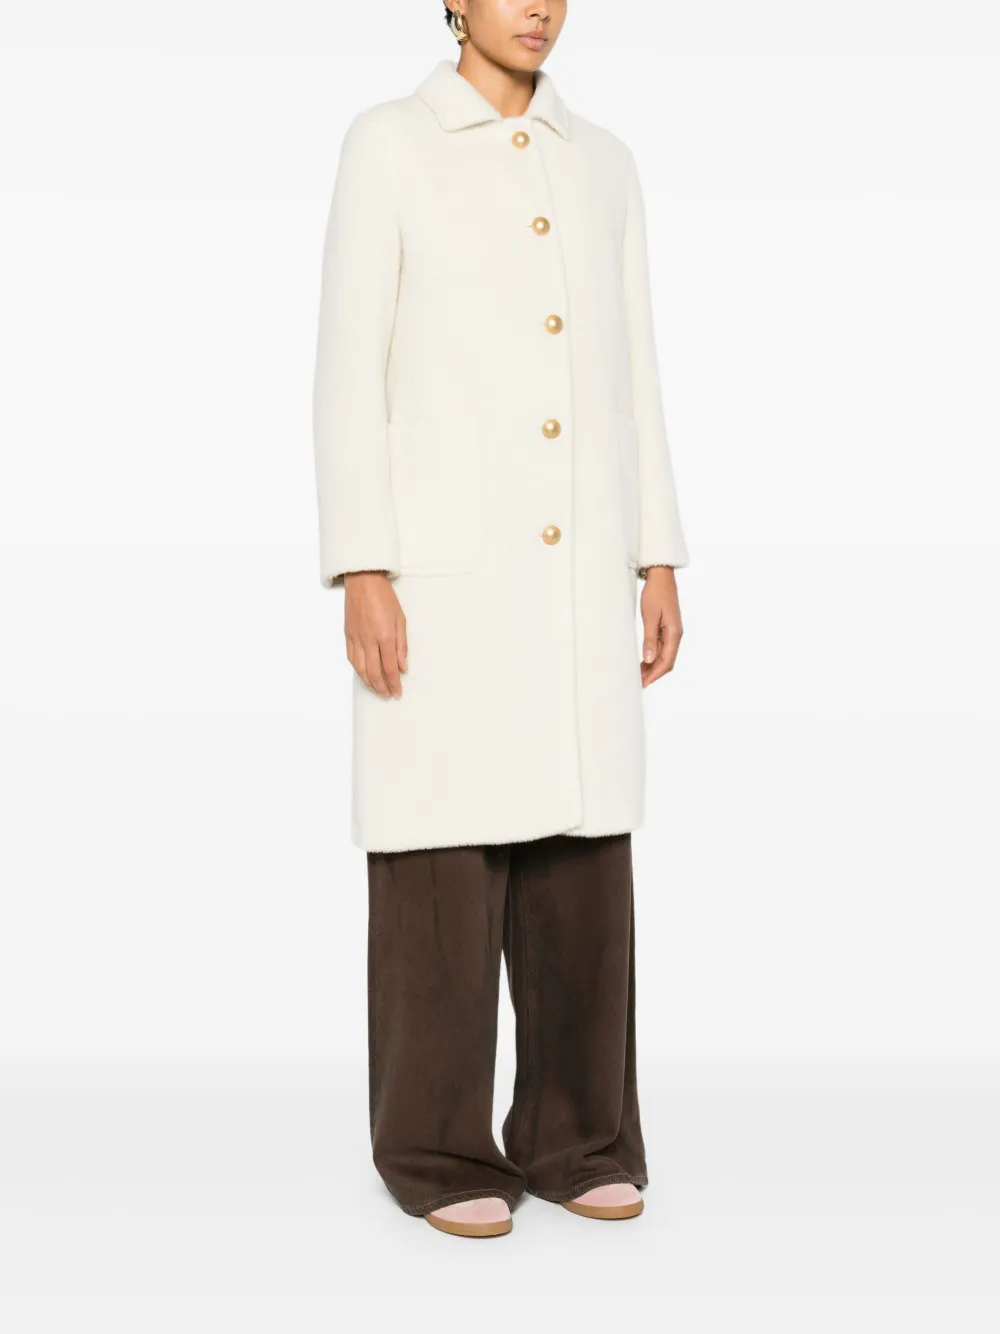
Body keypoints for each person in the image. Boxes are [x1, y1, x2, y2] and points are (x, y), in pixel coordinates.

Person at [312, 0, 688, 1239]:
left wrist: (655, 552)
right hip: (442, 572)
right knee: (440, 852)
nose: (538, 6)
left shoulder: (605, 161)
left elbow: (634, 373)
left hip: (580, 564)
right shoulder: (388, 142)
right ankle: (433, 1146)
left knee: (582, 851)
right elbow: (347, 366)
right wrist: (364, 563)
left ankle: (579, 1134)